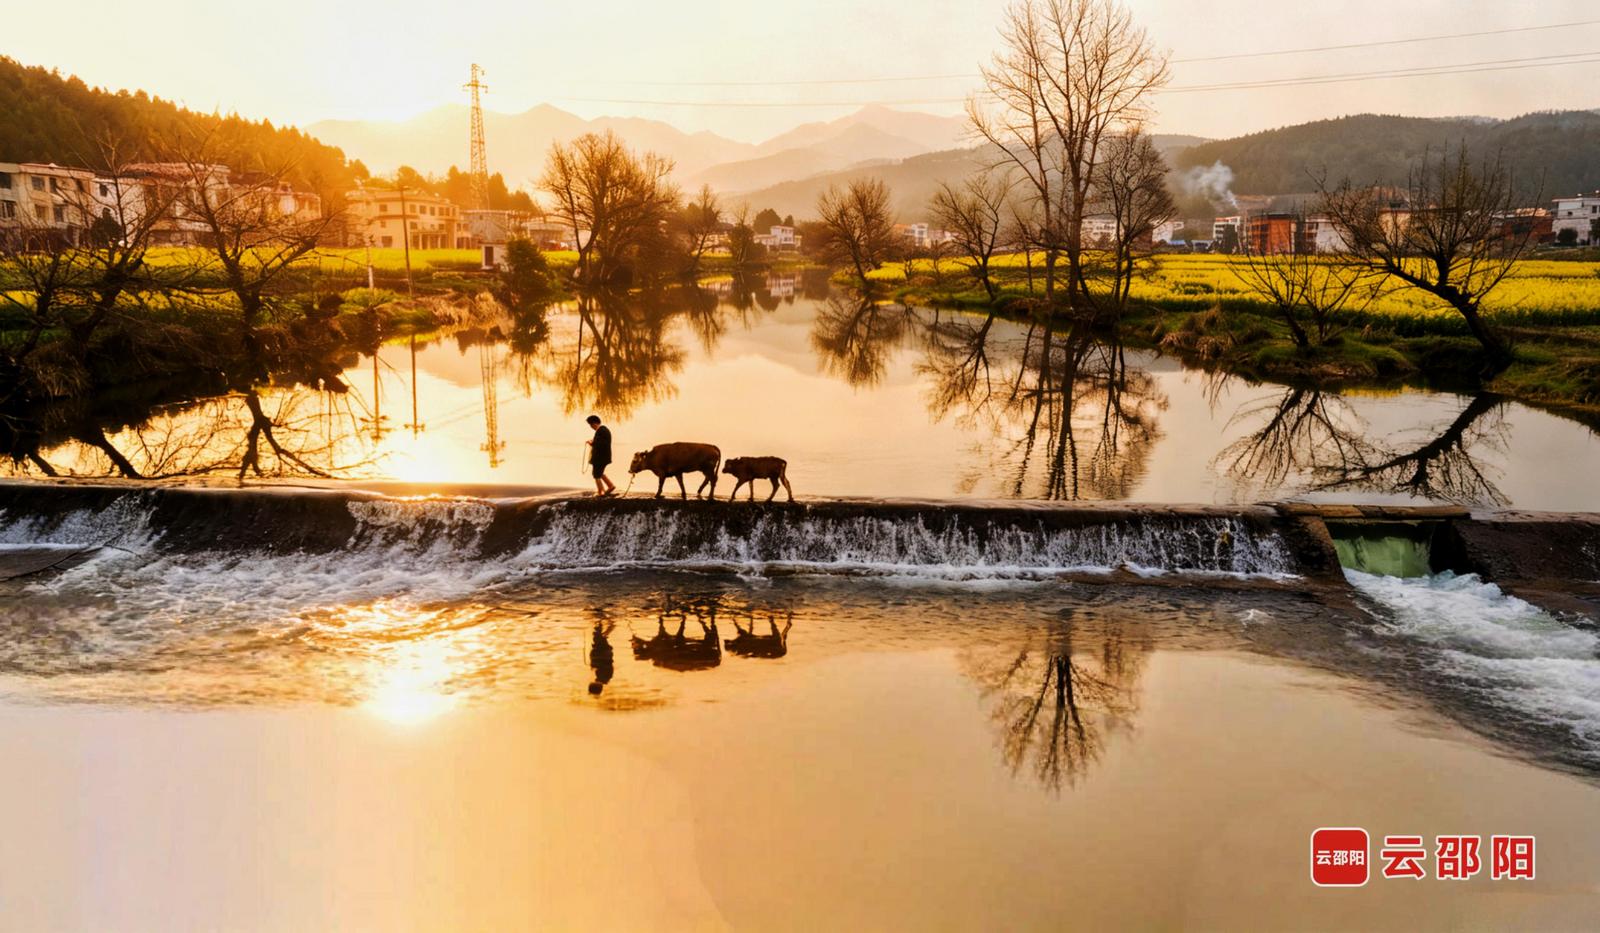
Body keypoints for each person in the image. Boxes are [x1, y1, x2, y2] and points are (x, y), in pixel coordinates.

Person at [586, 415, 616, 497]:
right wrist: (593, 442)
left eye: (591, 425)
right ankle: (610, 486)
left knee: (596, 474)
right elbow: (601, 442)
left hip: (600, 457)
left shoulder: (602, 431)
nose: (591, 427)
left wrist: (592, 443)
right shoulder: (603, 430)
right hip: (603, 457)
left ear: (594, 423)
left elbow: (602, 444)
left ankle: (600, 492)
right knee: (600, 472)